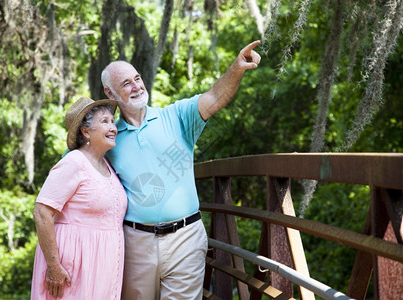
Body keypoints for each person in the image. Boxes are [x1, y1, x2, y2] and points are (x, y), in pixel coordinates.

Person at [100, 40, 261, 299]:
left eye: (137, 78)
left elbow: (213, 97)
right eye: (126, 83)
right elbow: (76, 167)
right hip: (135, 242)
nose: (137, 86)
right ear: (110, 93)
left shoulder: (176, 115)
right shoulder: (107, 137)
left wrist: (237, 67)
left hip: (185, 238)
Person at [31, 97, 127, 299]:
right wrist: (54, 266)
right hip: (73, 266)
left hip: (103, 266)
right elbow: (41, 212)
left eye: (112, 121)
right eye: (105, 122)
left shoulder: (107, 165)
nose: (113, 127)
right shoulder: (74, 162)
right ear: (85, 131)